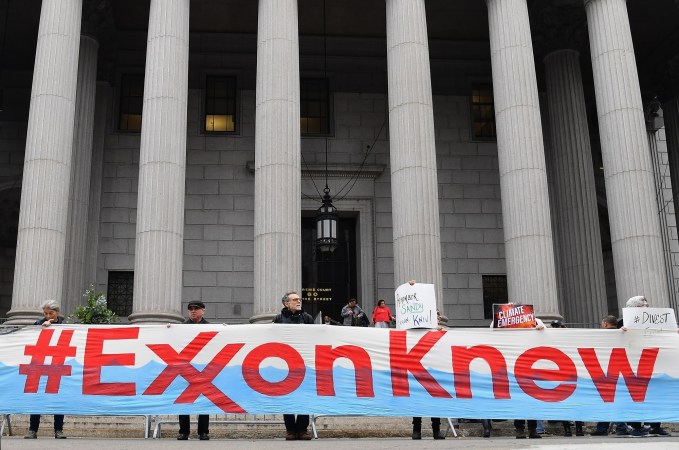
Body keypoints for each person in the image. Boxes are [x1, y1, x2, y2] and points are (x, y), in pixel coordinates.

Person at [620, 296, 671, 437]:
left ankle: (654, 426)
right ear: (634, 308)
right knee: (635, 396)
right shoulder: (624, 323)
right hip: (634, 367)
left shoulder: (657, 321)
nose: (647, 308)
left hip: (655, 365)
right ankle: (634, 426)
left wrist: (674, 333)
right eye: (643, 305)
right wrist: (621, 331)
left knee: (656, 395)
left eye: (647, 305)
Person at [273, 292, 314, 440]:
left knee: (305, 396)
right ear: (286, 303)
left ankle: (302, 430)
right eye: (295, 299)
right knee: (287, 396)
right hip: (284, 364)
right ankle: (290, 430)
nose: (298, 301)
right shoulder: (278, 319)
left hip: (304, 363)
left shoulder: (307, 318)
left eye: (299, 299)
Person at [25, 300, 67, 439]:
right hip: (40, 365)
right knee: (37, 398)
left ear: (57, 312)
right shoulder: (38, 324)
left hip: (58, 366)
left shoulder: (65, 325)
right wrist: (44, 327)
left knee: (58, 399)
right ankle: (33, 430)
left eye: (51, 313)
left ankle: (58, 430)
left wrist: (54, 326)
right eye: (46, 313)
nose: (48, 315)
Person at [177, 301, 210, 441]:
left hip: (204, 368)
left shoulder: (210, 327)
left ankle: (203, 432)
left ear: (203, 311)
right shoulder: (181, 328)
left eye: (196, 309)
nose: (193, 311)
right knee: (184, 401)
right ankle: (184, 431)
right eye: (190, 309)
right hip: (186, 368)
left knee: (203, 401)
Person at [549, 320, 584, 437]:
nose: (555, 329)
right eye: (553, 326)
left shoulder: (569, 340)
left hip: (569, 375)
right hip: (561, 375)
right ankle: (570, 429)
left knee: (572, 402)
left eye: (556, 326)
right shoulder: (555, 340)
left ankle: (576, 429)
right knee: (564, 403)